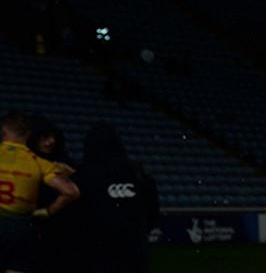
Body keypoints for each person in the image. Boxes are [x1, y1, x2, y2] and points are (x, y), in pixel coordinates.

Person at [56, 123, 158, 273]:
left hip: (95, 256)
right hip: (135, 255)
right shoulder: (138, 173)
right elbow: (152, 211)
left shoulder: (82, 176)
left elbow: (71, 218)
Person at [0, 112, 78, 273]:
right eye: (45, 137)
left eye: (53, 137)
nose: (51, 142)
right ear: (30, 135)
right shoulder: (40, 163)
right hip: (24, 227)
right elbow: (71, 192)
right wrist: (47, 212)